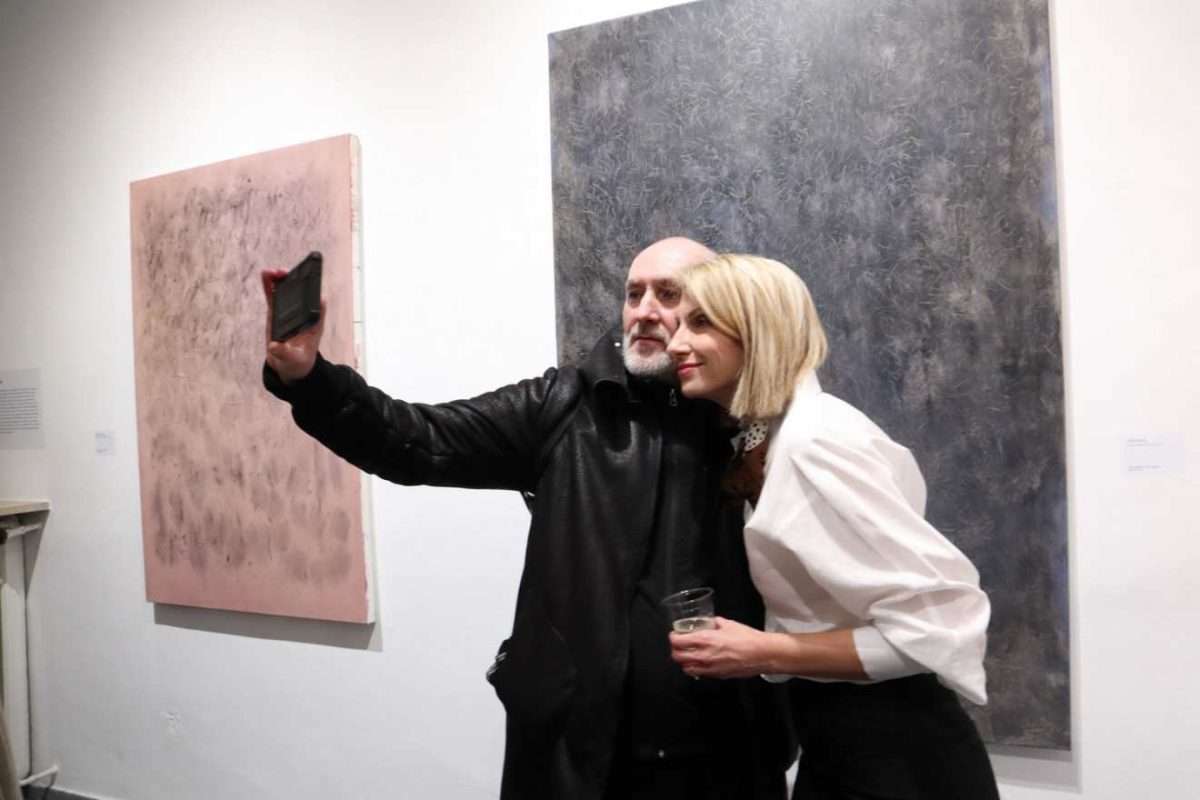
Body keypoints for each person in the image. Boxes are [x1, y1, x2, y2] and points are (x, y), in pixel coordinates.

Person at [261, 238, 792, 800]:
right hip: (580, 756)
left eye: (668, 294)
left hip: (725, 752)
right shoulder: (564, 407)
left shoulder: (749, 420)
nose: (644, 311)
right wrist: (309, 378)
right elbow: (415, 439)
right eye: (634, 294)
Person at [665, 254, 1000, 800]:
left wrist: (762, 651)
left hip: (898, 759)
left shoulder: (814, 442)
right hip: (841, 745)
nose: (676, 343)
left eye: (700, 323)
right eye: (680, 324)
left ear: (759, 329)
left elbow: (937, 627)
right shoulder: (774, 434)